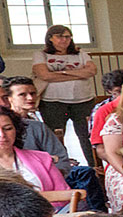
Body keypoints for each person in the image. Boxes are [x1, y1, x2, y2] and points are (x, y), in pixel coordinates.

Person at [6, 77, 105, 207]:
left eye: (33, 93)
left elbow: (60, 155)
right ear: (9, 98)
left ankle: (97, 216)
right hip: (25, 177)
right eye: (22, 95)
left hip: (53, 173)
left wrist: (55, 171)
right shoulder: (5, 126)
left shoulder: (37, 121)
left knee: (85, 173)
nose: (30, 98)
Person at [32, 23, 99, 160]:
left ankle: (94, 166)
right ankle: (63, 167)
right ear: (50, 38)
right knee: (56, 136)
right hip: (53, 102)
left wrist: (60, 73)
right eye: (60, 36)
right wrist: (78, 73)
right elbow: (44, 75)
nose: (65, 40)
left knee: (86, 135)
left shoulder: (81, 54)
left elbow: (91, 71)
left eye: (68, 37)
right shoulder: (41, 55)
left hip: (83, 100)